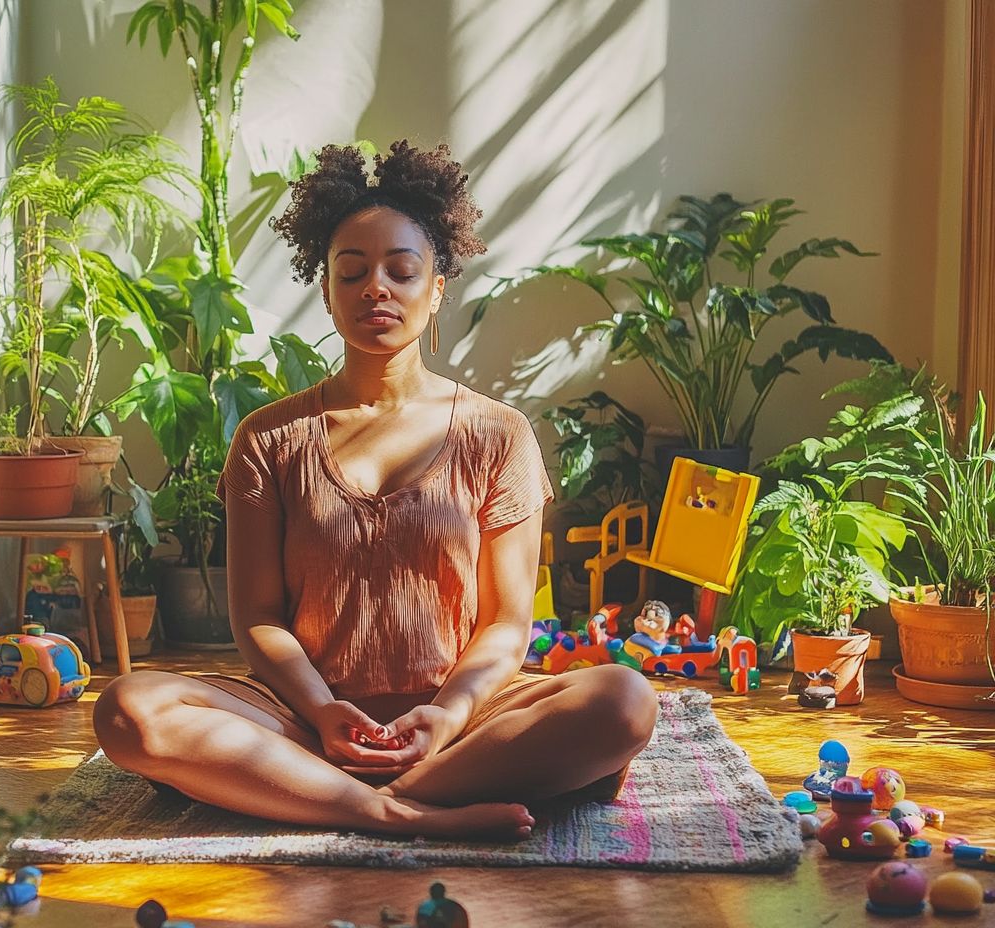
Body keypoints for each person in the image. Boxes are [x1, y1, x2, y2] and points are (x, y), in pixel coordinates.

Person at [94, 140, 657, 841]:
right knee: (129, 708)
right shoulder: (269, 439)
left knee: (625, 700)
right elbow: (259, 620)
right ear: (327, 290)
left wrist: (447, 716)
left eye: (401, 270)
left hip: (462, 718)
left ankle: (346, 794)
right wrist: (324, 710)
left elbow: (507, 624)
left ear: (438, 287)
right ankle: (391, 812)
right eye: (351, 272)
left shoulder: (496, 433)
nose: (375, 289)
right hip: (301, 719)